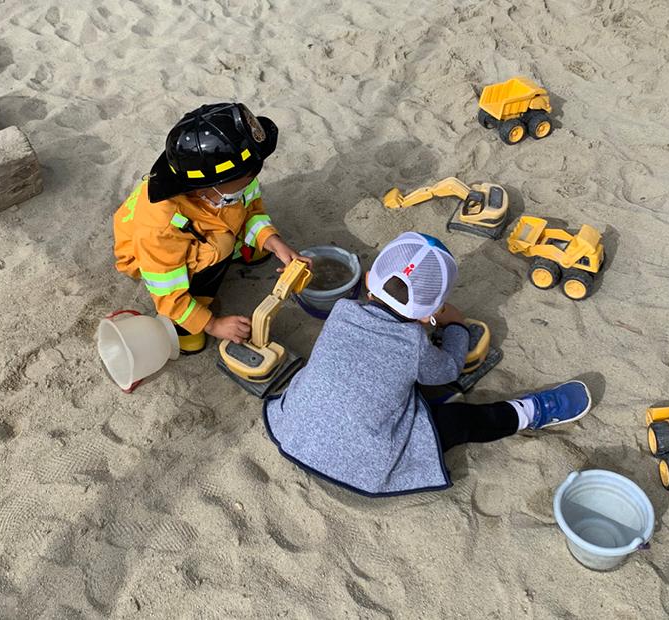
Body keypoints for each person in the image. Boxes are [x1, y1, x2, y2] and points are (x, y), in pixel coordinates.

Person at [263, 232, 592, 496]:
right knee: (460, 421)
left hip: (296, 434)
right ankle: (529, 412)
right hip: (361, 466)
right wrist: (457, 326)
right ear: (429, 315)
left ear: (366, 281)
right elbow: (448, 369)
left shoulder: (340, 313)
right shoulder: (413, 343)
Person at [113, 102, 310, 354]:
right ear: (208, 186)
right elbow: (167, 294)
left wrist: (272, 241)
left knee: (227, 235)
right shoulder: (160, 226)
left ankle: (244, 248)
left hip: (201, 225)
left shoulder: (233, 180)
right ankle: (184, 328)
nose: (251, 181)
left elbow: (250, 209)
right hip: (152, 261)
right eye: (244, 179)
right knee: (219, 245)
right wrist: (213, 323)